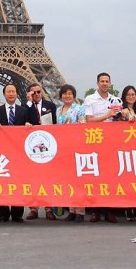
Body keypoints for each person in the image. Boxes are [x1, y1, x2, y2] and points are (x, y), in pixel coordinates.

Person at [83, 72, 122, 223]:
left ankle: (109, 210)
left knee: (110, 177)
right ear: (97, 83)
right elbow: (89, 120)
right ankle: (96, 210)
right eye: (102, 81)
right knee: (95, 177)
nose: (105, 83)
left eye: (107, 81)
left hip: (111, 142)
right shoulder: (90, 99)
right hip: (95, 141)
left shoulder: (116, 99)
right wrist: (107, 115)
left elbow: (118, 120)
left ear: (110, 83)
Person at [0, 82, 28, 223]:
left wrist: (29, 126)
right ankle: (3, 214)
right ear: (4, 94)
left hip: (19, 153)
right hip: (2, 154)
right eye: (8, 92)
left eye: (13, 91)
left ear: (17, 94)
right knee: (2, 183)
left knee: (18, 183)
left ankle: (18, 214)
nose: (11, 94)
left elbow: (34, 127)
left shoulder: (24, 111)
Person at [24, 82, 57, 221]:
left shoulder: (50, 106)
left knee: (48, 178)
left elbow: (55, 124)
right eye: (33, 93)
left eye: (39, 91)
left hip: (48, 145)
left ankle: (49, 208)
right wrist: (29, 103)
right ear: (29, 94)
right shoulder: (26, 107)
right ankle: (34, 208)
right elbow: (24, 119)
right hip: (32, 146)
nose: (37, 94)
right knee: (33, 178)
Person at [57, 84, 87, 222]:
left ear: (73, 95)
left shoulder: (79, 109)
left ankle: (80, 210)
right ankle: (71, 210)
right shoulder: (58, 110)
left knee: (78, 180)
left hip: (76, 146)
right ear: (61, 95)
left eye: (70, 93)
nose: (67, 96)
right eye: (64, 93)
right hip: (63, 148)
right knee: (67, 180)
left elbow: (83, 125)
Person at [118, 85, 136, 221]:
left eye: (133, 94)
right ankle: (128, 208)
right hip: (126, 147)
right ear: (124, 97)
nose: (131, 97)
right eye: (128, 95)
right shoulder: (122, 111)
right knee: (128, 179)